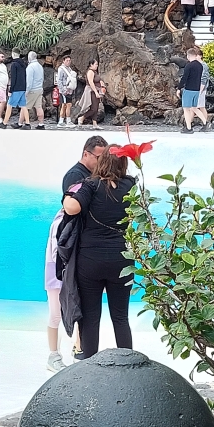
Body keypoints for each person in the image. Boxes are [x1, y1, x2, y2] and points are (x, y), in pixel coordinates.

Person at [61, 145, 136, 358]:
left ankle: (90, 363)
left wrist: (68, 195)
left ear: (101, 162)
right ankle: (127, 362)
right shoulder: (130, 185)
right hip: (121, 260)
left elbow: (72, 208)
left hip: (90, 261)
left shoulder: (91, 185)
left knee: (91, 317)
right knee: (120, 317)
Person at [44, 209, 66, 372]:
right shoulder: (60, 221)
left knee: (79, 314)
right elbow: (54, 253)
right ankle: (53, 355)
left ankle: (78, 351)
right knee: (55, 315)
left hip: (70, 273)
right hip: (56, 274)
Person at [178, 47, 208, 131]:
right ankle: (205, 122)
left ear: (188, 56)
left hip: (189, 89)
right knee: (194, 108)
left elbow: (185, 78)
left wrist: (179, 88)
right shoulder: (200, 66)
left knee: (186, 109)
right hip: (196, 90)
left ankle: (188, 128)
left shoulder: (189, 65)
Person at [75, 59, 104, 125]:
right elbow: (91, 82)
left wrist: (101, 83)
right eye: (96, 64)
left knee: (96, 107)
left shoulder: (95, 72)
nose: (97, 65)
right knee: (93, 108)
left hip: (97, 90)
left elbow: (98, 80)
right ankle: (82, 117)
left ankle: (95, 123)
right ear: (91, 64)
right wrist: (96, 92)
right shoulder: (90, 72)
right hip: (91, 91)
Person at [55, 56, 80, 126]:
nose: (68, 62)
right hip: (64, 90)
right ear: (63, 61)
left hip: (70, 90)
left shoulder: (69, 69)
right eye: (67, 60)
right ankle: (61, 121)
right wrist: (62, 90)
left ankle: (68, 120)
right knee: (64, 105)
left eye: (69, 60)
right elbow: (59, 80)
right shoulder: (61, 69)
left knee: (69, 105)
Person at [25, 51, 46, 128]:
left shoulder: (30, 67)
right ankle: (41, 123)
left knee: (24, 107)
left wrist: (26, 91)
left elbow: (29, 81)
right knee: (39, 107)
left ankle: (23, 123)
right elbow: (42, 78)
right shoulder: (40, 66)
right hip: (39, 89)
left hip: (32, 90)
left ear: (29, 58)